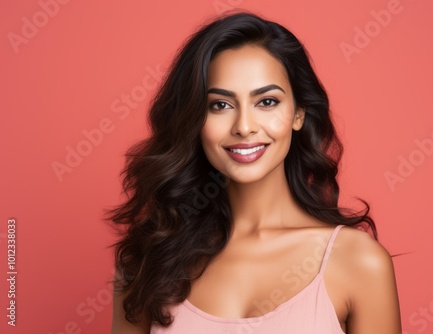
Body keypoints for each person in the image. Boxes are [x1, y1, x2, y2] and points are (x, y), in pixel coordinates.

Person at [107, 11, 402, 334]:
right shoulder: (150, 258)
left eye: (267, 102)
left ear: (298, 113)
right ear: (194, 119)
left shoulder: (359, 263)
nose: (244, 127)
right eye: (220, 105)